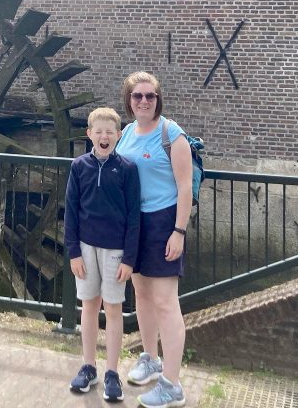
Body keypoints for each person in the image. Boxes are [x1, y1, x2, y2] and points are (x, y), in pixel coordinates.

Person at [116, 71, 193, 408]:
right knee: (142, 295)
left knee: (165, 301)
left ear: (158, 99)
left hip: (163, 222)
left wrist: (179, 231)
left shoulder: (171, 134)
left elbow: (185, 187)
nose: (144, 101)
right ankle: (150, 357)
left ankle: (172, 384)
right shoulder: (127, 133)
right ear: (129, 101)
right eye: (138, 97)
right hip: (134, 223)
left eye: (150, 96)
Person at [64, 106, 141, 402]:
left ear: (119, 135)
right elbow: (70, 211)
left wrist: (130, 259)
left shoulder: (127, 170)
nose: (104, 136)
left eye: (109, 132)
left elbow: (134, 216)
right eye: (99, 132)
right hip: (85, 247)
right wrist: (73, 252)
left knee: (113, 309)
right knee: (88, 307)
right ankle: (88, 366)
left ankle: (112, 372)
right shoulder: (79, 166)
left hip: (115, 251)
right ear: (89, 135)